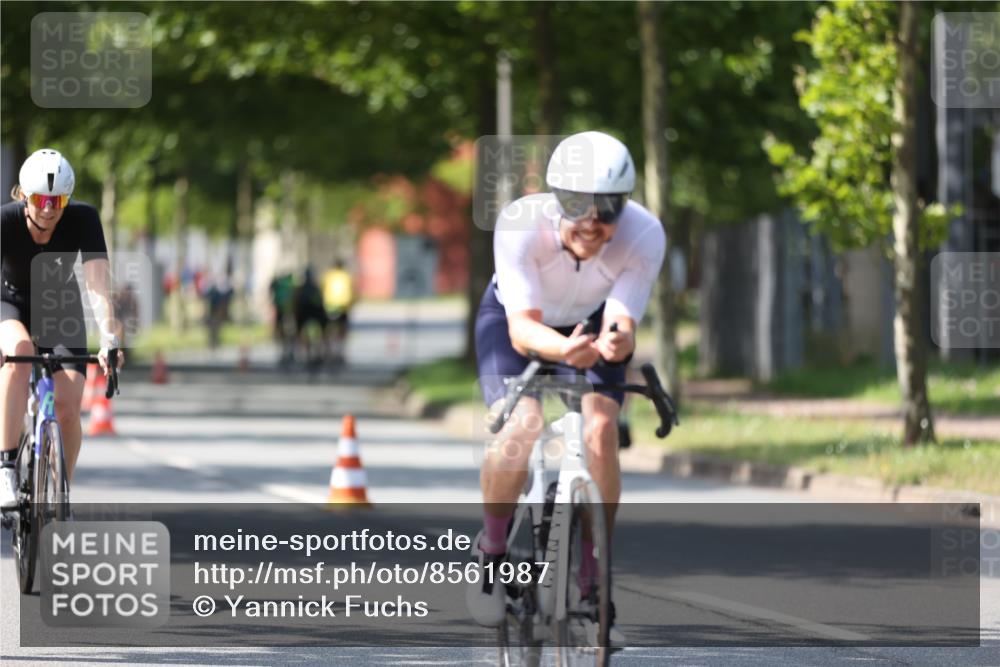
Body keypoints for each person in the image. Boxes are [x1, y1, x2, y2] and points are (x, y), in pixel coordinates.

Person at [467, 132, 666, 640]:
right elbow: (522, 328)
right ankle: (492, 556)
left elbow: (621, 321)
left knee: (601, 430)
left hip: (592, 322)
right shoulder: (519, 223)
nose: (591, 222)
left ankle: (594, 581)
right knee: (523, 423)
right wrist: (562, 351)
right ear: (556, 196)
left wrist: (617, 344)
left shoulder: (644, 235)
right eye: (577, 204)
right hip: (519, 321)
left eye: (608, 208)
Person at [0, 149, 123, 509]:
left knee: (68, 409)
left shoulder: (83, 219)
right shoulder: (5, 221)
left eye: (58, 200)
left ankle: (58, 493)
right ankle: (5, 467)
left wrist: (110, 338)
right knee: (19, 353)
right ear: (24, 196)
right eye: (41, 199)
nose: (50, 209)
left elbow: (98, 287)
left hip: (60, 307)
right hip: (10, 303)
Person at [292, 266, 328, 367]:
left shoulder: (300, 288)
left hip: (303, 313)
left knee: (301, 332)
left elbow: (295, 302)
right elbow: (321, 302)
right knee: (321, 332)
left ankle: (304, 352)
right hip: (315, 313)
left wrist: (295, 313)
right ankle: (320, 351)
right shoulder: (316, 287)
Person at [321, 260, 355, 365]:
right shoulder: (347, 276)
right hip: (343, 306)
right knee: (342, 329)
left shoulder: (328, 275)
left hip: (329, 306)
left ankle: (328, 351)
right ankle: (340, 351)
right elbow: (352, 291)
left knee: (328, 329)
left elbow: (322, 289)